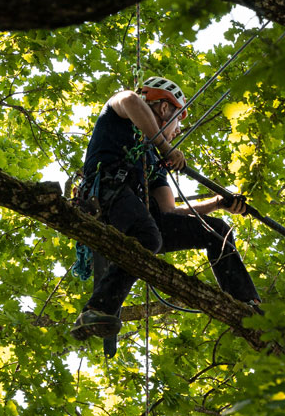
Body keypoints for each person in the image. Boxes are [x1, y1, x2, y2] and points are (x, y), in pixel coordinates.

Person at [70, 76, 261, 353]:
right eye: (177, 123)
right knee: (148, 236)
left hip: (134, 215)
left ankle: (247, 305)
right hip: (105, 195)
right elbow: (131, 100)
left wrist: (217, 203)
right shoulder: (118, 114)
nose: (176, 132)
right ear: (163, 109)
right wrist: (165, 146)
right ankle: (97, 308)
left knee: (216, 230)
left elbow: (171, 211)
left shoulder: (154, 162)